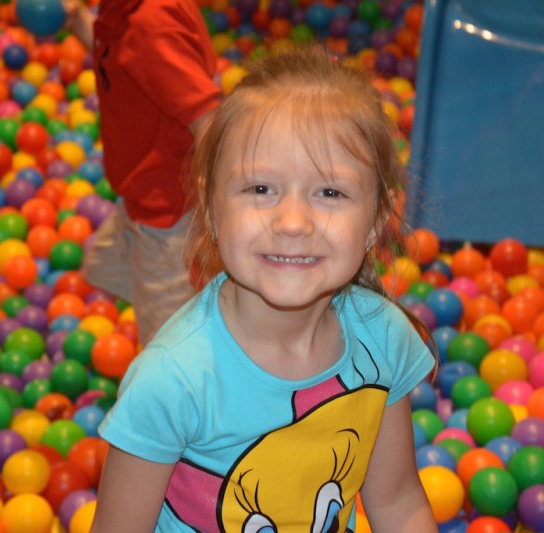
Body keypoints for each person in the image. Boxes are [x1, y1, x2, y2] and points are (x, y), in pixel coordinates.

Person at [90, 48, 438, 532]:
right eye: (260, 189)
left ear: (377, 219)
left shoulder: (382, 339)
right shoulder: (174, 380)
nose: (293, 222)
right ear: (212, 208)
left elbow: (397, 500)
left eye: (330, 193)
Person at [62, 0, 222, 344]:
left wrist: (222, 204)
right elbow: (121, 58)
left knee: (167, 342)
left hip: (168, 213)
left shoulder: (149, 25)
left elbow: (208, 120)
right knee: (103, 268)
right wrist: (81, 24)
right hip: (141, 191)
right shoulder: (121, 13)